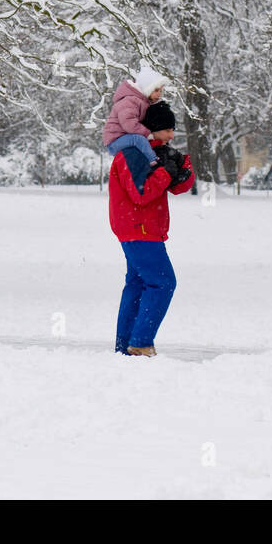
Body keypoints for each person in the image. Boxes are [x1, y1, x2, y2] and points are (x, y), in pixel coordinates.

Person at [109, 101, 194, 356]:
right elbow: (141, 193)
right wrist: (166, 172)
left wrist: (182, 165)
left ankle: (126, 347)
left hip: (143, 228)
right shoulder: (132, 153)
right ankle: (141, 342)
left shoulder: (153, 152)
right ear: (153, 128)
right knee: (163, 283)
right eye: (168, 129)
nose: (172, 135)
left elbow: (179, 187)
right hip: (139, 228)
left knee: (137, 284)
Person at [102, 64, 169, 174]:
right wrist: (148, 134)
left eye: (161, 91)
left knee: (139, 139)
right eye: (156, 90)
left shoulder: (142, 102)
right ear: (148, 88)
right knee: (138, 139)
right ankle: (154, 160)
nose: (159, 94)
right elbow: (129, 124)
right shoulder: (130, 100)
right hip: (114, 141)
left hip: (123, 138)